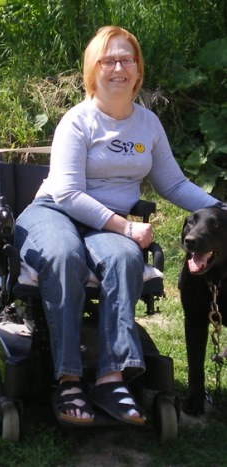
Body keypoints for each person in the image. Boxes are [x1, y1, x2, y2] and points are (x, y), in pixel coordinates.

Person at [14, 26, 224, 426]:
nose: (118, 67)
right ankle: (69, 379)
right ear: (93, 70)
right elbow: (69, 193)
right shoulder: (77, 122)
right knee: (63, 254)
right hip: (55, 211)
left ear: (138, 70)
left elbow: (174, 184)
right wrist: (125, 227)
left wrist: (221, 206)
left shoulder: (148, 125)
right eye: (108, 60)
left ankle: (111, 379)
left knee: (126, 259)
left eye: (127, 59)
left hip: (105, 225)